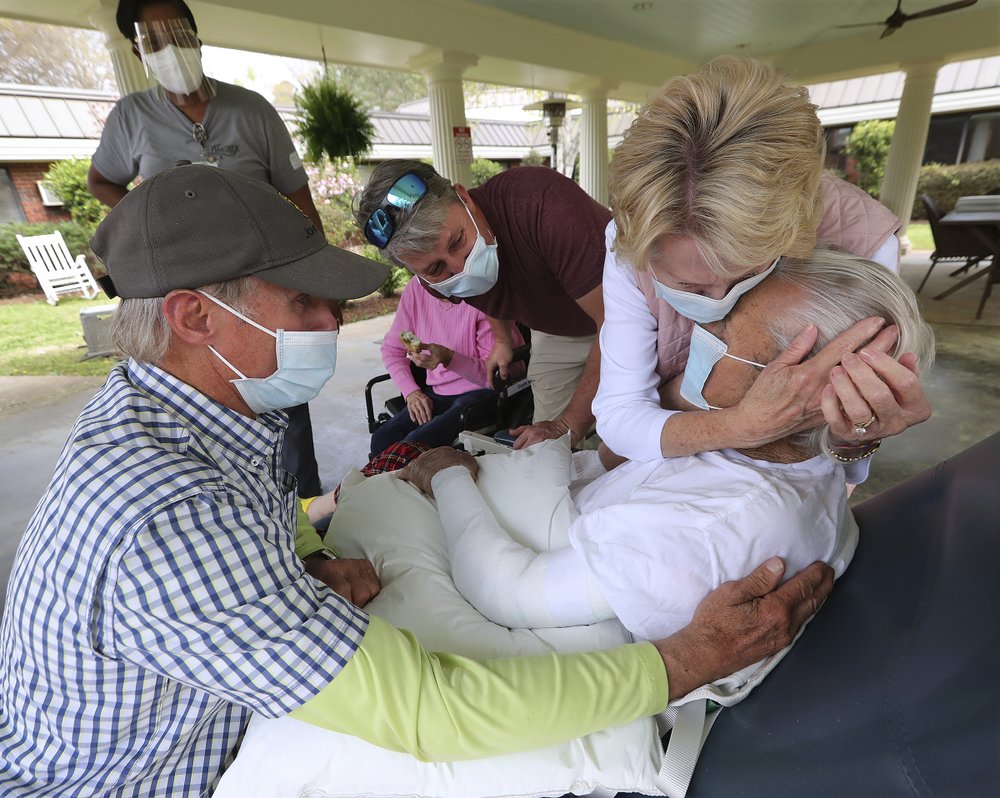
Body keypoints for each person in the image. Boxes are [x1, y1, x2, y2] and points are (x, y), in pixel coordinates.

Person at [0, 165, 836, 796]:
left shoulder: (196, 407)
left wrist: (304, 566)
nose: (336, 324)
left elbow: (257, 520)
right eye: (305, 304)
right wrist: (684, 660)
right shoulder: (167, 517)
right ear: (194, 317)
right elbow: (435, 714)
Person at [404, 251, 934, 643]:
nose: (701, 327)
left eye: (723, 328)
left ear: (791, 390)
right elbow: (623, 449)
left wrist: (448, 475)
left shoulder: (699, 531)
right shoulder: (793, 449)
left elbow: (508, 592)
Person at [594, 55, 932, 470]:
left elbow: (842, 443)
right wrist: (744, 425)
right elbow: (619, 415)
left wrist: (857, 435)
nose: (719, 306)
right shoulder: (632, 236)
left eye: (748, 276)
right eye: (690, 287)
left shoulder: (862, 238)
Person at [86, 0, 325, 497]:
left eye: (177, 33)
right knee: (197, 394)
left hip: (260, 281)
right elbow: (101, 179)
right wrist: (146, 222)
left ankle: (301, 508)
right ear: (136, 50)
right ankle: (230, 502)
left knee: (279, 377)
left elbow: (299, 197)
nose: (170, 49)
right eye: (153, 40)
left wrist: (316, 281)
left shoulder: (251, 109)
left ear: (197, 36)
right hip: (187, 287)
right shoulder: (132, 115)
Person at [354, 161, 609, 451]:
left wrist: (567, 426)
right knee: (548, 452)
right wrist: (502, 339)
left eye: (457, 241)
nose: (463, 268)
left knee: (626, 437)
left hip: (634, 312)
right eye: (437, 267)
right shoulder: (431, 279)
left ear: (464, 198)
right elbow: (482, 288)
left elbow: (617, 326)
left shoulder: (542, 204)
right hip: (555, 330)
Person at [370, 276, 524, 456]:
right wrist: (411, 392)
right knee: (382, 439)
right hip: (438, 391)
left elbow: (496, 377)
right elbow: (392, 349)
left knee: (412, 447)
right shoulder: (417, 287)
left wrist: (449, 358)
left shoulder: (479, 290)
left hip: (486, 392)